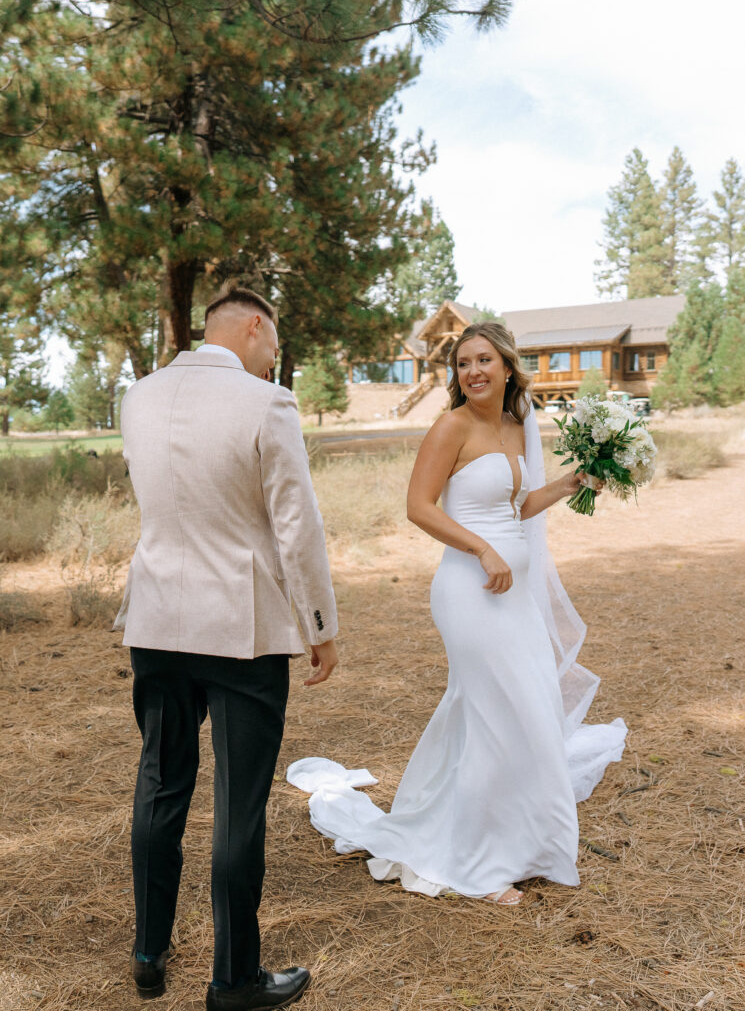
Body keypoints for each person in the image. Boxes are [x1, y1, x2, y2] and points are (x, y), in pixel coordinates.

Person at [288, 322, 626, 905]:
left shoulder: (519, 426)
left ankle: (520, 843)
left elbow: (519, 506)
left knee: (523, 711)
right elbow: (418, 506)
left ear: (508, 368)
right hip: (468, 593)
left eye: (484, 360)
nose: (473, 371)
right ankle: (477, 861)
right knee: (500, 714)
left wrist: (576, 479)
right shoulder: (452, 426)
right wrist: (481, 548)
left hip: (514, 594)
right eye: (463, 363)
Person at [115, 285, 338, 1009]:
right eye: (274, 344)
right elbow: (295, 527)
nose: (275, 359)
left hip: (156, 620)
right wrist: (319, 625)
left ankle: (148, 953)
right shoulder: (265, 402)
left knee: (160, 782)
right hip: (241, 629)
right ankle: (233, 979)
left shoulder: (138, 397)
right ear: (252, 328)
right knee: (239, 804)